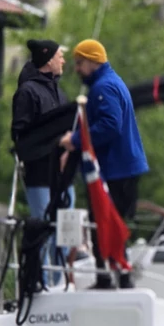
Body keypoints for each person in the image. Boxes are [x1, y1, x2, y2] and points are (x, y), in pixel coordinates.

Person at [58, 39, 149, 290]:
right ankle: (120, 276)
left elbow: (110, 125)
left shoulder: (102, 88)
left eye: (79, 63)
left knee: (106, 222)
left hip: (116, 169)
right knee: (114, 223)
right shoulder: (112, 82)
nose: (76, 69)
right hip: (125, 166)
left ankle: (107, 279)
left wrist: (74, 141)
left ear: (91, 61)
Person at [10, 38, 74, 285]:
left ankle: (62, 286)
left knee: (66, 234)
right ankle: (43, 285)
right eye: (60, 56)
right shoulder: (27, 93)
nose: (63, 60)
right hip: (39, 176)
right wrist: (56, 142)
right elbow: (21, 137)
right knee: (45, 232)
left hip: (63, 176)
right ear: (48, 59)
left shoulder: (60, 92)